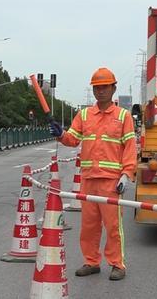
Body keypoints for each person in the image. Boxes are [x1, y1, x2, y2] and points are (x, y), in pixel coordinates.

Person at [49, 67, 136, 281]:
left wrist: (126, 174)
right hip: (88, 180)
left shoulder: (123, 116)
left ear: (114, 88)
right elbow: (72, 139)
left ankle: (117, 264)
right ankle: (91, 261)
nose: (100, 91)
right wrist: (61, 134)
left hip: (111, 182)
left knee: (113, 227)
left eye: (105, 87)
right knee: (88, 226)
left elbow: (130, 147)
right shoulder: (85, 114)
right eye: (97, 87)